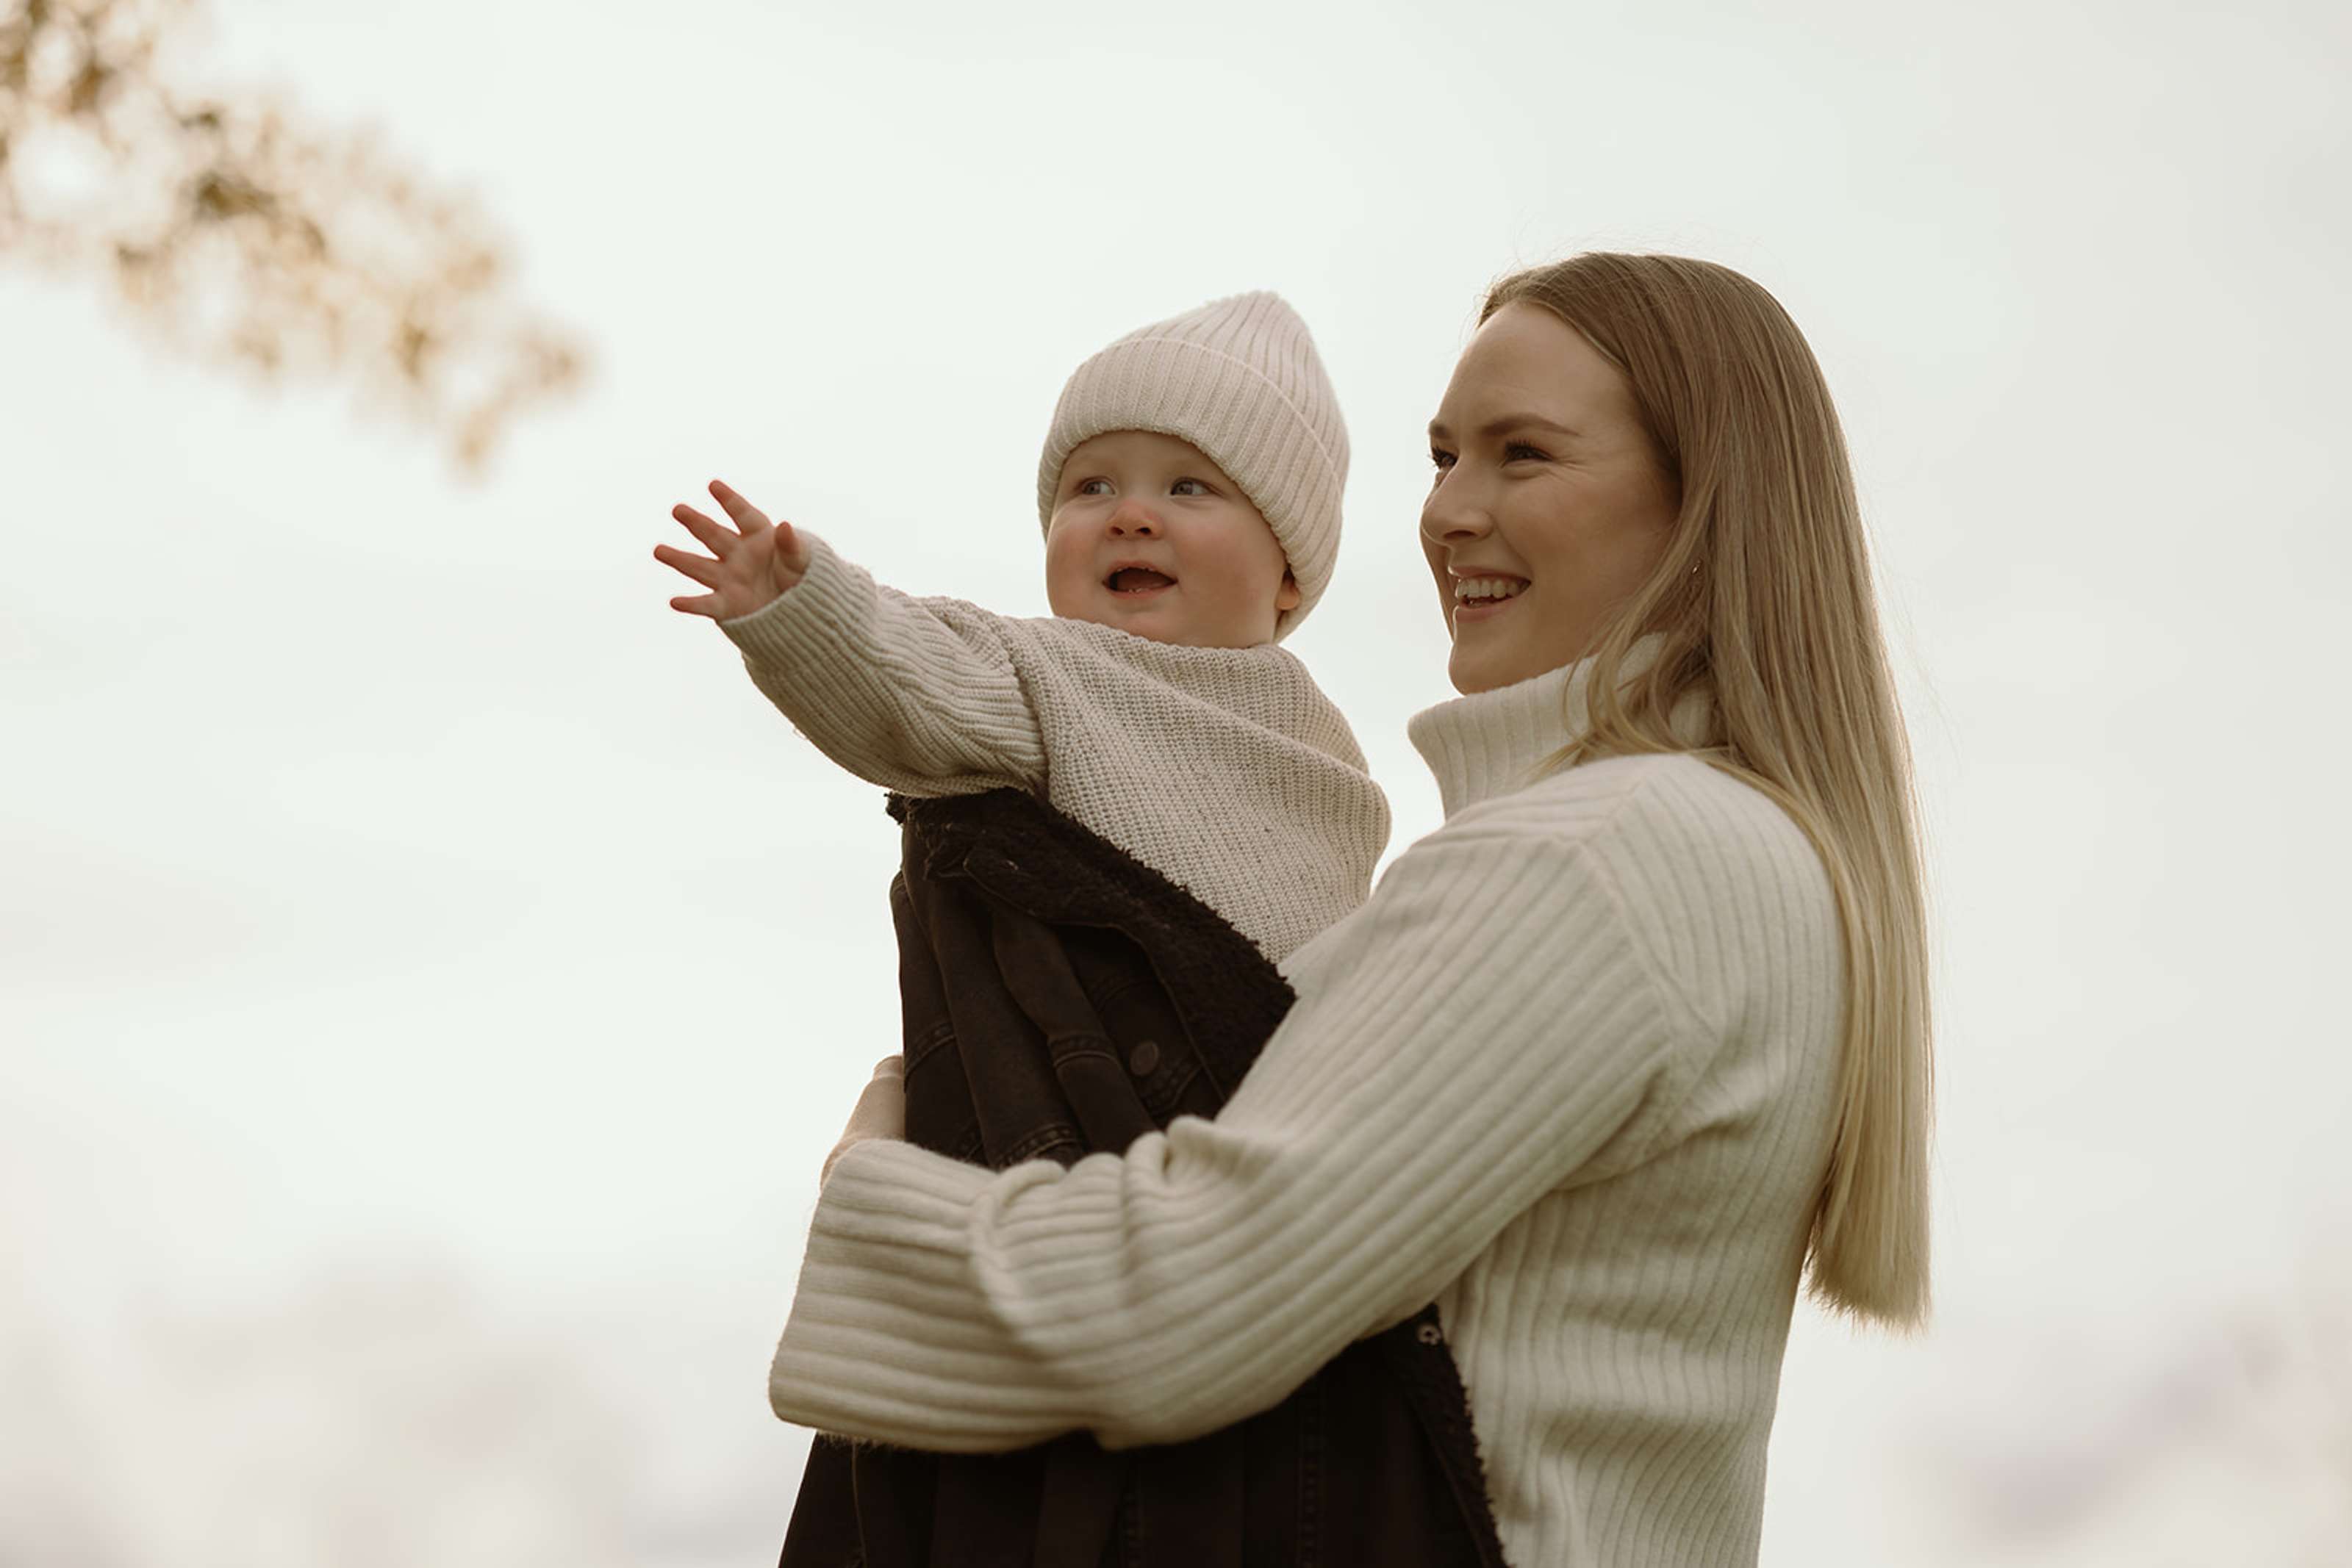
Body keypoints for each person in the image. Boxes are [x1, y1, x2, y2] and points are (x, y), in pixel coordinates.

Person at [767, 253, 1936, 1567]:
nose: (1448, 513)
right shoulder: (1752, 853)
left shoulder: (1590, 859)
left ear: (1698, 501)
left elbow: (1191, 1294)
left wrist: (872, 1185)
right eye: (1444, 457)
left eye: (1523, 455)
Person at [653, 289, 1390, 976]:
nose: (1129, 515)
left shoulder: (1327, 756)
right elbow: (914, 679)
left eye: (1187, 487)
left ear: (1288, 569)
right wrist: (807, 610)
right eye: (1091, 486)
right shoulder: (1043, 673)